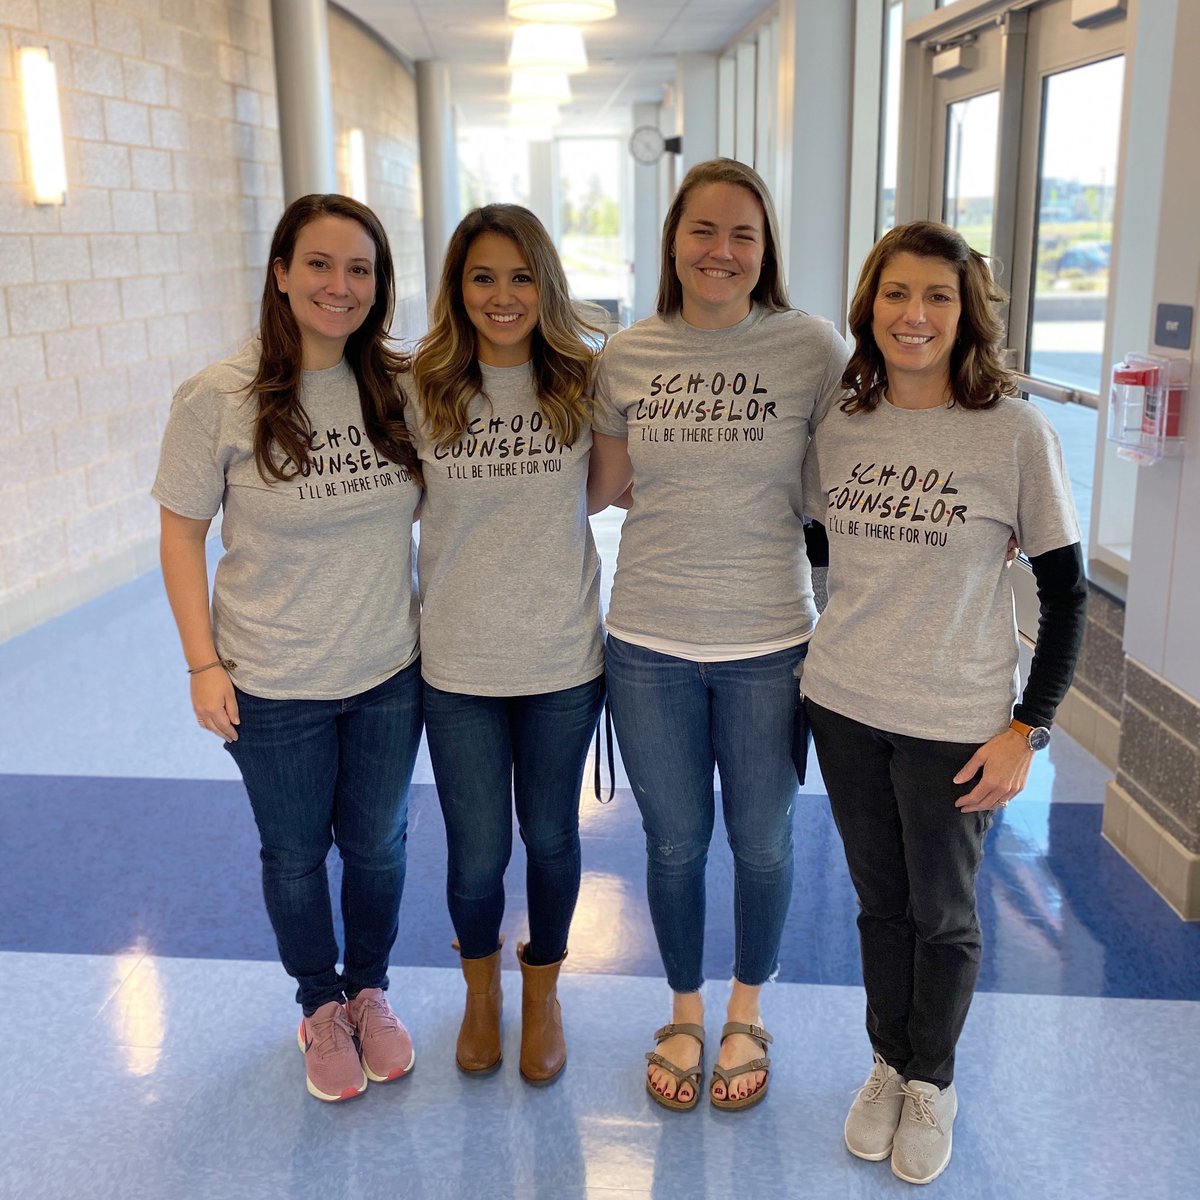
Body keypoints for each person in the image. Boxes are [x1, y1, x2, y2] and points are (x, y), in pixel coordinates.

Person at [802, 220, 1086, 1184]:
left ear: (966, 314)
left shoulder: (1014, 431)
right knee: (881, 905)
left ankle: (934, 1079)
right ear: (868, 304)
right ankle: (887, 1060)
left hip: (956, 721)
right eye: (895, 294)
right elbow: (820, 539)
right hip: (842, 704)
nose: (913, 315)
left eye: (936, 296)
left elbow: (1068, 593)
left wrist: (1027, 728)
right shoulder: (840, 420)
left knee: (946, 916)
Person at [587, 159, 849, 1111]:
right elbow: (599, 489)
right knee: (673, 843)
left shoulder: (810, 348)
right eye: (704, 230)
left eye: (743, 234)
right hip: (648, 640)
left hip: (772, 641)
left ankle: (747, 1008)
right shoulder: (628, 354)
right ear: (673, 241)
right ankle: (686, 1010)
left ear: (765, 248)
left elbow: (863, 457)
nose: (722, 251)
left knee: (765, 841)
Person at [153, 194, 424, 1104]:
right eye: (319, 264)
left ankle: (370, 990)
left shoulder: (399, 385)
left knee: (380, 847)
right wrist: (202, 663)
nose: (339, 286)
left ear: (378, 285)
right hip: (272, 682)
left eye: (359, 269)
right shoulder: (217, 397)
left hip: (389, 668)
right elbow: (181, 533)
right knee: (297, 855)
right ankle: (320, 1004)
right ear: (280, 271)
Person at [405, 205, 605, 1086]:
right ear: (458, 287)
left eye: (521, 277)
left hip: (562, 659)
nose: (502, 295)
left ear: (546, 287)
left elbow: (604, 493)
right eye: (483, 277)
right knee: (477, 850)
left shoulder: (583, 381)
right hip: (456, 665)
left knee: (553, 838)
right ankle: (481, 994)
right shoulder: (420, 388)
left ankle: (545, 991)